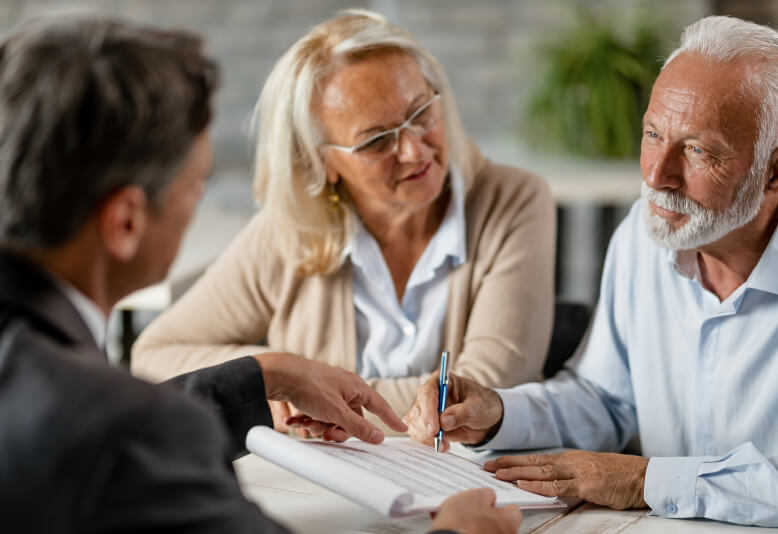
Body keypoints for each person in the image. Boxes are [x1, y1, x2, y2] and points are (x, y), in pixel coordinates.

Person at [0, 16, 520, 533]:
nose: (200, 201)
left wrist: (266, 375)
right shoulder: (127, 434)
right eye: (195, 185)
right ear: (126, 223)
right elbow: (123, 429)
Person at [404, 15, 778, 528]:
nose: (657, 175)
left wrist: (647, 481)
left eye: (698, 150)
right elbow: (605, 399)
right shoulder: (643, 238)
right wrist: (499, 413)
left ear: (777, 169)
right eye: (653, 133)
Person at [129, 9, 556, 434]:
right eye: (376, 140)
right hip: (324, 488)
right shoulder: (290, 231)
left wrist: (317, 396)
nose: (414, 150)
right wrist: (275, 376)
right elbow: (154, 354)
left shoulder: (514, 200)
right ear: (321, 161)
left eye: (421, 112)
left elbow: (487, 394)